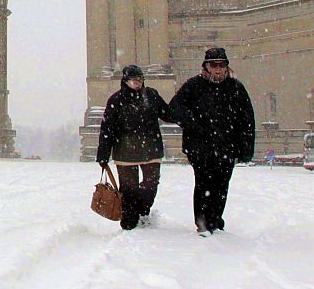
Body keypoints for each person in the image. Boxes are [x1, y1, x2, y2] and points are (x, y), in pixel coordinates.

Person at [169, 47, 255, 236]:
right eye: (214, 65)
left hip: (227, 147)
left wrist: (246, 148)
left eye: (221, 65)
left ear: (226, 67)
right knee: (203, 184)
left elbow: (247, 120)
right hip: (200, 147)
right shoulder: (193, 86)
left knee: (221, 185)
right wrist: (194, 126)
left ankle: (215, 219)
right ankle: (202, 222)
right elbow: (174, 108)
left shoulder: (236, 88)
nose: (218, 69)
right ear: (206, 67)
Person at [96, 65, 172, 230]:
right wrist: (103, 153)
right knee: (129, 190)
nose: (137, 83)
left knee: (150, 185)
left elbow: (167, 113)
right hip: (125, 152)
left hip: (151, 150)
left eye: (140, 79)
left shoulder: (151, 95)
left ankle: (143, 211)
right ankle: (130, 222)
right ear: (125, 81)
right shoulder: (115, 100)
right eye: (134, 80)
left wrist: (184, 112)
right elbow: (107, 129)